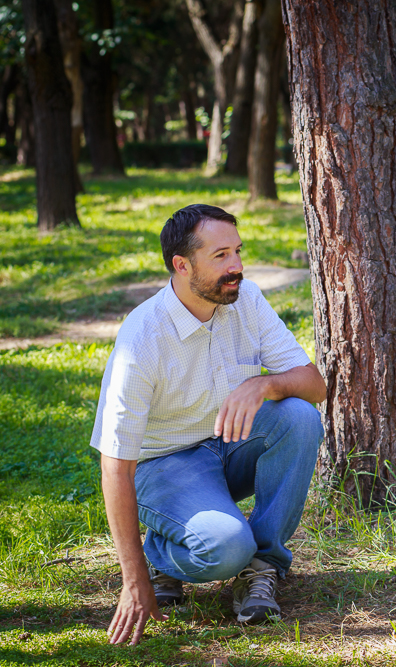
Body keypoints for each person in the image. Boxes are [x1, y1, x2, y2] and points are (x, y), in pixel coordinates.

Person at [90, 204, 327, 645]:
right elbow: (115, 467)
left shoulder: (247, 300)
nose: (236, 266)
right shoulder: (141, 339)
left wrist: (265, 386)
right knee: (224, 549)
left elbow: (315, 386)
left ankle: (263, 565)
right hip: (162, 464)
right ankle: (162, 553)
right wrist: (134, 578)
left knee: (298, 415)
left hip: (227, 443)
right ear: (182, 265)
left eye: (237, 251)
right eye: (221, 256)